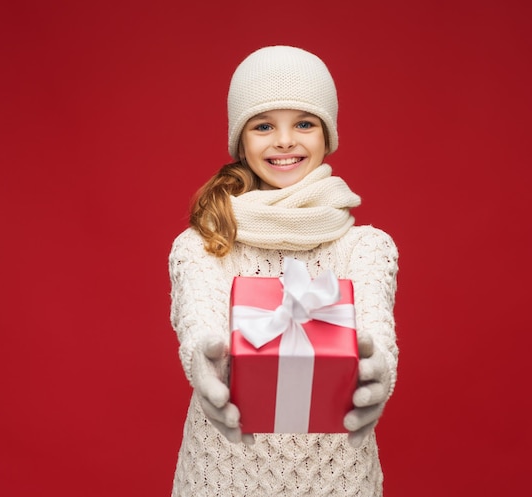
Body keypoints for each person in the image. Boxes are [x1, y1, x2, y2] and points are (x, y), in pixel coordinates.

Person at [168, 45, 399, 496]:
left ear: (327, 135)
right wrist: (202, 361)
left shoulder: (366, 246)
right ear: (241, 140)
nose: (285, 141)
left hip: (339, 481)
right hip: (220, 478)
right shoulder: (201, 244)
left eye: (304, 123)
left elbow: (377, 332)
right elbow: (198, 324)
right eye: (264, 125)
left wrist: (381, 372)